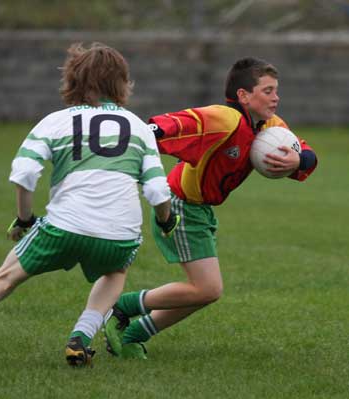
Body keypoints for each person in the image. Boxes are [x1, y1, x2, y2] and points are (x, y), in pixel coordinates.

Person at [0, 42, 179, 368]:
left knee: (1, 280)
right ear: (122, 83)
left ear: (74, 81)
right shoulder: (139, 128)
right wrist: (166, 221)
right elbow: (158, 189)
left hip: (63, 227)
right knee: (115, 272)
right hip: (120, 235)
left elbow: (25, 173)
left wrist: (25, 219)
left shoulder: (55, 121)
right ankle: (80, 339)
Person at [104, 57, 318, 359]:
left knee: (202, 292)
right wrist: (122, 142)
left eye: (276, 90)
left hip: (201, 211)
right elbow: (169, 125)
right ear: (244, 96)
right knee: (208, 289)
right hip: (179, 207)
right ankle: (123, 307)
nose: (276, 97)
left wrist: (299, 160)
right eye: (268, 91)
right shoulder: (224, 118)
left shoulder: (271, 127)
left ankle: (133, 336)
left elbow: (307, 155)